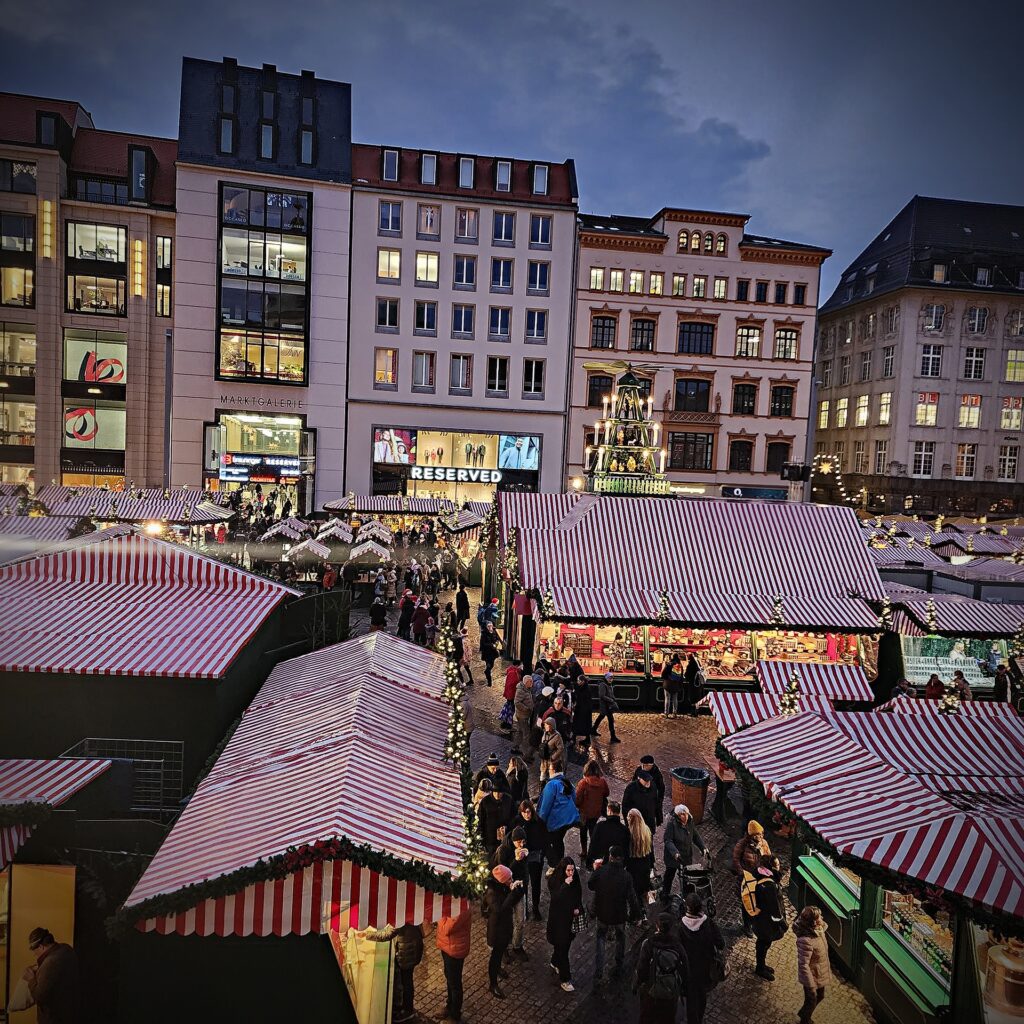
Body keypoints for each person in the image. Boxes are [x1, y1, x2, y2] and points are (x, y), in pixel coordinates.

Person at [589, 844, 639, 985]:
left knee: (600, 940)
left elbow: (590, 885)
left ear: (610, 857)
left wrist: (595, 870)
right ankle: (619, 965)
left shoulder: (601, 871)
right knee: (620, 939)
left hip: (603, 913)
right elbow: (632, 898)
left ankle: (599, 971)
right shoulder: (626, 876)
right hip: (619, 915)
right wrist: (637, 914)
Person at [361, 922, 425, 1022]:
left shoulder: (401, 918)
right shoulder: (409, 913)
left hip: (407, 953)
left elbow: (386, 935)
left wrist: (366, 934)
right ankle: (405, 1006)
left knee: (407, 982)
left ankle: (408, 1010)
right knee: (406, 981)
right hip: (412, 947)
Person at [634, 912, 689, 1024]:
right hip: (670, 992)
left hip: (651, 990)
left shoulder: (649, 943)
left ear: (657, 926)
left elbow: (642, 968)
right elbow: (685, 968)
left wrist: (638, 984)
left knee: (646, 1018)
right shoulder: (677, 945)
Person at [678, 893, 725, 1024]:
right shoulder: (708, 924)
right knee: (702, 995)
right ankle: (699, 1018)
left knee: (691, 999)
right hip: (705, 968)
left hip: (688, 970)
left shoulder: (680, 928)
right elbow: (721, 943)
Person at [481, 864, 525, 999]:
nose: (511, 881)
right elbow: (501, 909)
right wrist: (512, 893)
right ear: (502, 881)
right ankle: (493, 984)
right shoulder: (492, 893)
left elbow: (510, 901)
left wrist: (517, 890)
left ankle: (498, 969)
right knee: (495, 957)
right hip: (497, 931)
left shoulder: (502, 888)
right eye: (509, 879)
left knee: (499, 953)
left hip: (504, 928)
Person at [22, 927, 78, 1024]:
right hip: (70, 1013)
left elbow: (39, 997)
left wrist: (31, 979)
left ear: (41, 947)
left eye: (34, 951)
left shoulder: (51, 962)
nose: (35, 955)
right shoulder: (66, 948)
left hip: (54, 1018)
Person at [492, 826, 531, 959]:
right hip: (506, 892)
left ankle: (517, 945)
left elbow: (525, 872)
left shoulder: (523, 848)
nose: (521, 844)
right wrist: (516, 860)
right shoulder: (504, 850)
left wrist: (524, 886)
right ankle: (504, 948)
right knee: (506, 922)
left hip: (519, 889)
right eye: (518, 842)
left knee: (520, 919)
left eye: (523, 842)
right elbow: (503, 873)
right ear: (513, 840)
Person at [546, 857, 584, 992]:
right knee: (563, 948)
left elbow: (578, 894)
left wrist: (578, 907)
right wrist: (565, 885)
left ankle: (555, 961)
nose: (571, 873)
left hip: (569, 920)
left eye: (572, 870)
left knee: (563, 946)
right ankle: (565, 978)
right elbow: (556, 898)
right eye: (568, 870)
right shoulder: (554, 881)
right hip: (558, 921)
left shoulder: (575, 880)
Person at [747, 854, 785, 980]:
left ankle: (761, 965)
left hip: (759, 919)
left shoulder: (758, 874)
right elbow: (775, 910)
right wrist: (783, 924)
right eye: (777, 865)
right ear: (771, 867)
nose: (779, 867)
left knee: (762, 943)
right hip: (766, 923)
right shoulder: (769, 886)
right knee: (764, 944)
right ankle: (760, 968)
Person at [537, 759, 580, 866]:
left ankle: (554, 865)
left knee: (550, 843)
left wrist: (540, 822)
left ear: (553, 770)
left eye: (549, 769)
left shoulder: (551, 785)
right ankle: (559, 862)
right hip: (568, 821)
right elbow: (575, 799)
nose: (548, 771)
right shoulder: (567, 782)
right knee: (559, 841)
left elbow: (545, 807)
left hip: (555, 822)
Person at [794, 905, 832, 1022]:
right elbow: (803, 965)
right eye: (819, 917)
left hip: (819, 971)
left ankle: (804, 1014)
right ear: (813, 922)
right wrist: (810, 985)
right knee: (812, 999)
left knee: (820, 996)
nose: (822, 918)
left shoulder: (819, 930)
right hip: (811, 976)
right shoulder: (806, 940)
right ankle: (805, 1019)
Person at [661, 804, 707, 902]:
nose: (684, 816)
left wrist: (702, 847)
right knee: (670, 874)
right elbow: (668, 840)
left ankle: (688, 896)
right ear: (678, 815)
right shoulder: (672, 824)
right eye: (682, 814)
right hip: (674, 857)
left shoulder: (690, 822)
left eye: (685, 814)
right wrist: (675, 853)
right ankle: (665, 893)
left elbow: (695, 835)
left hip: (686, 855)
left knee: (687, 876)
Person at [734, 820, 771, 934]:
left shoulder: (764, 844)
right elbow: (736, 860)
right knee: (747, 902)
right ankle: (747, 926)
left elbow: (768, 857)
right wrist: (742, 873)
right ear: (751, 835)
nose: (759, 836)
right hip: (747, 879)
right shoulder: (742, 844)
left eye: (760, 833)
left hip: (760, 878)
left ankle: (756, 922)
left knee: (759, 901)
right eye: (757, 834)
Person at [511, 799, 546, 920]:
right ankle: (524, 908)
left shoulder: (539, 823)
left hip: (535, 858)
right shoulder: (517, 823)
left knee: (536, 884)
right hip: (522, 859)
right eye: (524, 812)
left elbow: (544, 841)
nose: (527, 814)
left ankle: (535, 908)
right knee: (524, 884)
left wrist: (541, 854)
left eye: (528, 811)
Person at [436, 907, 472, 1024]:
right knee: (450, 979)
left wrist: (439, 916)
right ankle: (449, 1006)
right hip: (448, 946)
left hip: (455, 950)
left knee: (455, 983)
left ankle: (455, 1015)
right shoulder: (453, 902)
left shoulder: (462, 908)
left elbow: (446, 928)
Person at [575, 760, 610, 861]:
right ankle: (593, 851)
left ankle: (584, 851)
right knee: (593, 831)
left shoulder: (583, 783)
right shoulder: (602, 782)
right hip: (596, 812)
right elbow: (607, 793)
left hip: (584, 813)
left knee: (583, 831)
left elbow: (577, 799)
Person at [625, 807, 655, 913]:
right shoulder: (646, 830)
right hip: (645, 864)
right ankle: (646, 909)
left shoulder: (628, 833)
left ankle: (639, 913)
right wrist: (652, 865)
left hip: (633, 866)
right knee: (644, 888)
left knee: (635, 892)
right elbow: (651, 850)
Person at [588, 800, 630, 870]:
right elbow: (626, 849)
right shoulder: (624, 829)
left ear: (609, 811)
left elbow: (593, 844)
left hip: (601, 863)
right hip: (617, 865)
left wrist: (589, 862)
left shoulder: (600, 826)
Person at [478, 779, 514, 857]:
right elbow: (480, 820)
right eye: (495, 792)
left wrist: (507, 827)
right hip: (490, 840)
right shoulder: (485, 802)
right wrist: (482, 839)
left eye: (499, 792)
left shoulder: (509, 800)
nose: (497, 794)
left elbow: (513, 817)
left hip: (505, 839)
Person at [622, 769, 660, 836]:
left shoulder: (653, 786)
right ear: (639, 778)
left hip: (649, 823)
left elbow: (655, 803)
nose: (648, 782)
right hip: (636, 824)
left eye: (649, 780)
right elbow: (625, 808)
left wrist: (656, 816)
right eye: (646, 780)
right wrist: (628, 824)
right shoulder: (631, 788)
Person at [591, 670, 621, 742]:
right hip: (606, 705)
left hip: (607, 705)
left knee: (601, 717)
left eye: (612, 678)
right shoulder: (603, 685)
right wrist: (611, 700)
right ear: (606, 678)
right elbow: (602, 696)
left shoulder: (607, 684)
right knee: (610, 720)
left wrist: (613, 699)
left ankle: (593, 730)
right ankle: (613, 737)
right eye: (610, 678)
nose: (611, 680)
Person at [514, 674, 535, 756]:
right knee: (525, 733)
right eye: (531, 682)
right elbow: (517, 702)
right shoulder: (521, 691)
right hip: (523, 715)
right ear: (526, 682)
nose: (532, 683)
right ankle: (525, 751)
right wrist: (526, 708)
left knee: (520, 731)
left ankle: (515, 747)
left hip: (524, 715)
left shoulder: (527, 689)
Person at [571, 673, 593, 752]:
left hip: (582, 710)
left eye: (578, 680)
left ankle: (574, 739)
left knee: (577, 724)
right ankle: (586, 739)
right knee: (585, 725)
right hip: (584, 710)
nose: (577, 682)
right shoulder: (585, 688)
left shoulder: (584, 689)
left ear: (582, 681)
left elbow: (581, 698)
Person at [538, 717, 565, 782]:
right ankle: (542, 789)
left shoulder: (557, 736)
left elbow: (561, 748)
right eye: (545, 724)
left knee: (552, 778)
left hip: (552, 762)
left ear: (551, 726)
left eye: (547, 724)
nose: (545, 726)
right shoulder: (545, 733)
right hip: (544, 760)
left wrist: (553, 757)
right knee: (542, 777)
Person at [711, 757, 736, 825]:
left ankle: (717, 811)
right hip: (725, 772)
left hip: (725, 772)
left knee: (721, 793)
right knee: (722, 793)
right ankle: (719, 814)